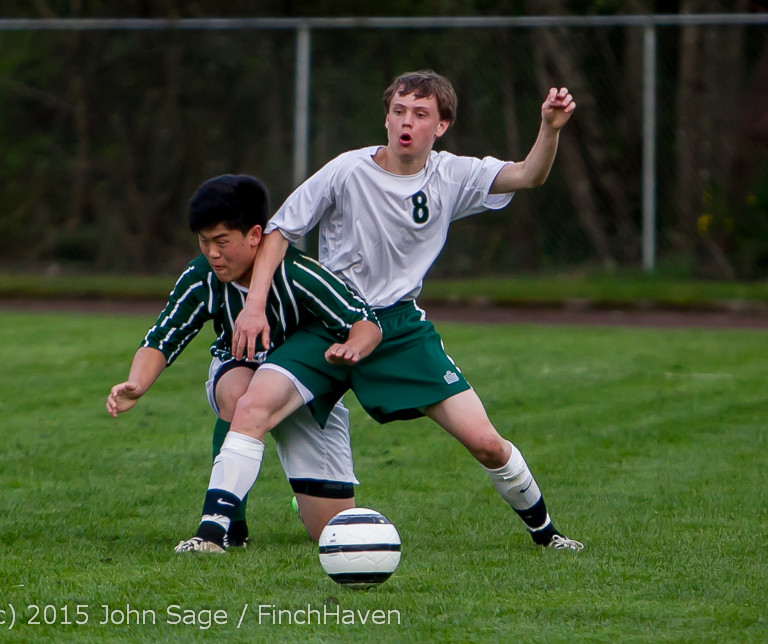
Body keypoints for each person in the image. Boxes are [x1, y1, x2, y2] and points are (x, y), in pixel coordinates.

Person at [186, 70, 584, 552]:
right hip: (329, 320)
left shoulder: (453, 174)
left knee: (486, 442)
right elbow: (280, 231)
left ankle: (548, 535)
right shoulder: (347, 169)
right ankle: (212, 535)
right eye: (398, 111)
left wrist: (551, 128)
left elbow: (528, 174)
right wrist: (255, 307)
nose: (406, 123)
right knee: (251, 406)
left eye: (420, 114)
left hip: (398, 329)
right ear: (387, 117)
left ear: (441, 126)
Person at [106, 174, 382, 552]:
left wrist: (354, 346)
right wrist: (136, 383)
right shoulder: (202, 277)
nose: (213, 254)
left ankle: (303, 504)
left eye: (222, 242)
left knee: (330, 532)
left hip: (303, 392)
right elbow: (162, 337)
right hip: (240, 370)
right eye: (204, 242)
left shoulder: (299, 273)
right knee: (240, 395)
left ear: (255, 235)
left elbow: (365, 321)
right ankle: (222, 530)